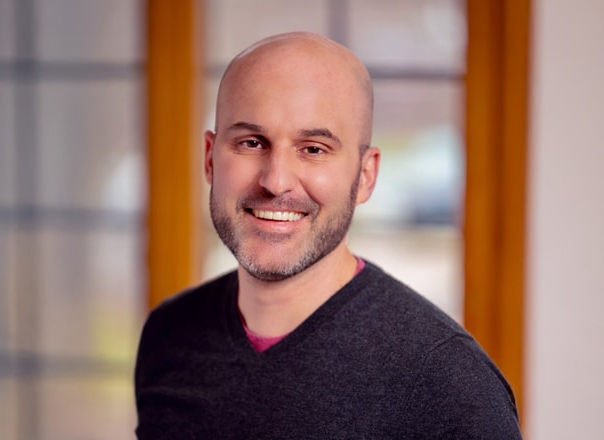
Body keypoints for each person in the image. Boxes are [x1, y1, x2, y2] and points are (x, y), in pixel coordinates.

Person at [134, 31, 522, 439]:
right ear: (210, 159)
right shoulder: (168, 334)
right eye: (251, 142)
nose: (276, 181)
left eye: (313, 148)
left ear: (365, 175)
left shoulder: (449, 385)